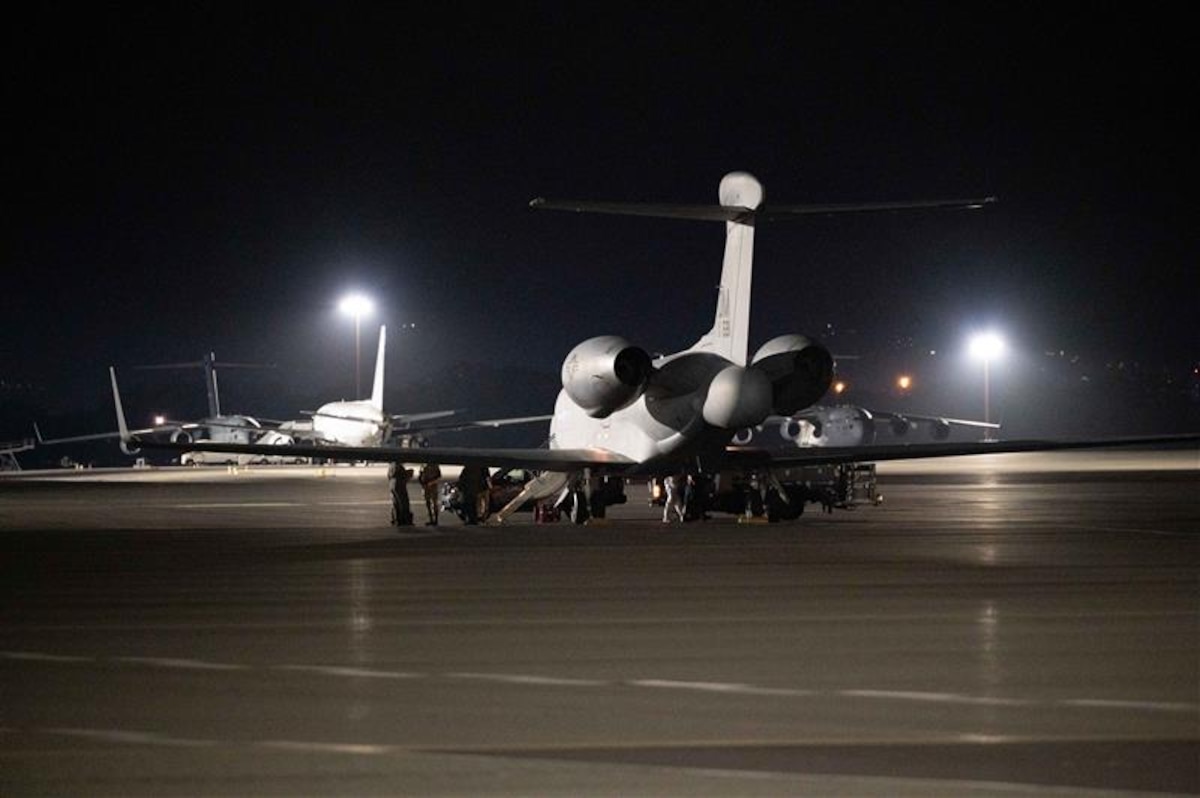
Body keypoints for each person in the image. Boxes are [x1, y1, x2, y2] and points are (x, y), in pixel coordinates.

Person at [388, 462, 414, 527]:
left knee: (396, 503)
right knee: (403, 503)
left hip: (392, 485)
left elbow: (389, 476)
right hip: (399, 485)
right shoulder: (398, 466)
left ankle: (396, 519)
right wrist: (409, 473)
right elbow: (401, 475)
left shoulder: (392, 465)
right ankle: (403, 520)